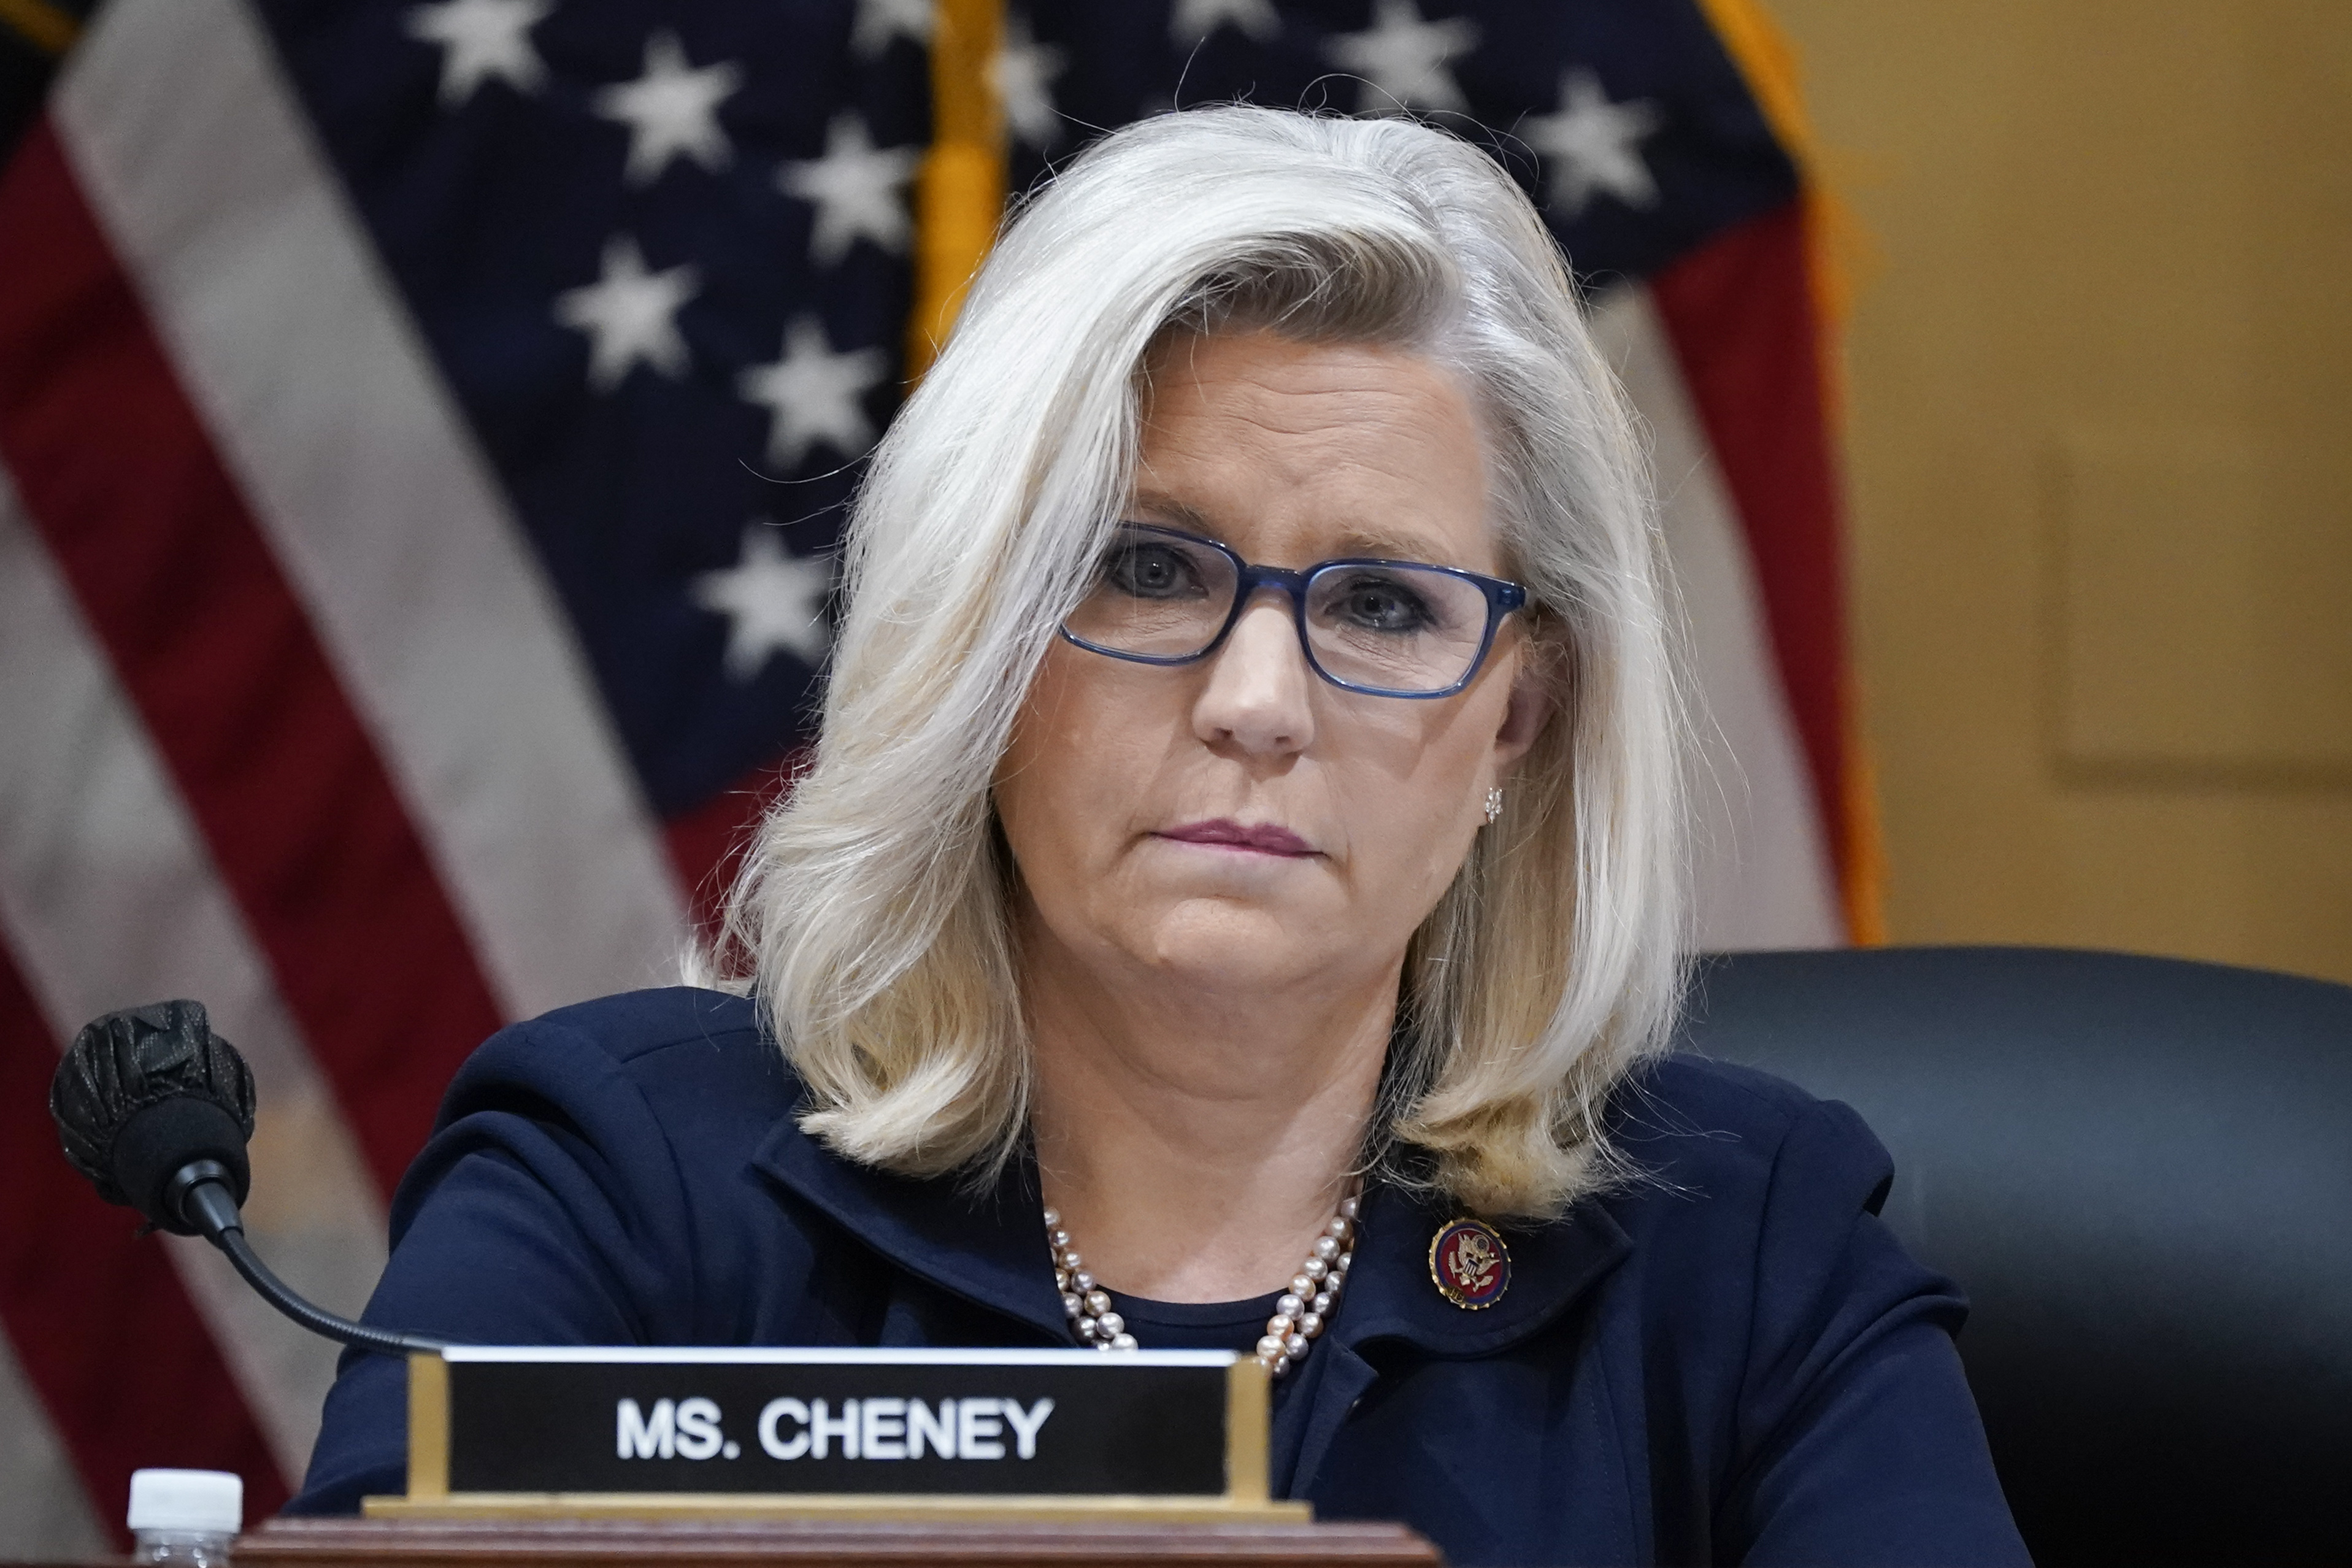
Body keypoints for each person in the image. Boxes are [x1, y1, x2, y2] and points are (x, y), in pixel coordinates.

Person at [287, 107, 2027, 1566]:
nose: (1258, 697)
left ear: (1515, 711)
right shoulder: (620, 1183)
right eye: (1148, 566)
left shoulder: (1745, 1242)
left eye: (1378, 602)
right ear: (980, 639)